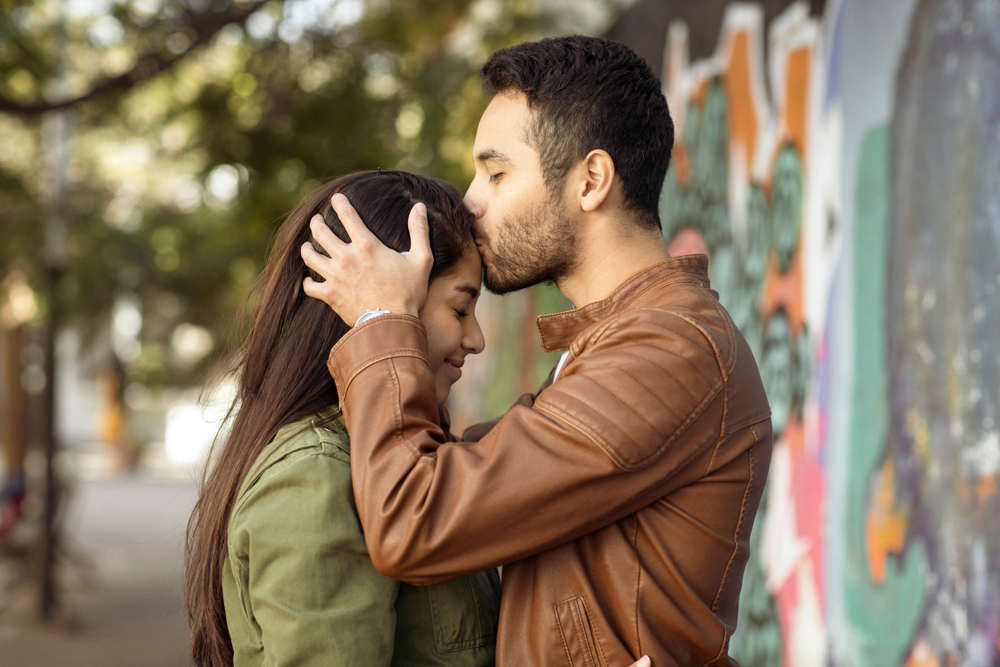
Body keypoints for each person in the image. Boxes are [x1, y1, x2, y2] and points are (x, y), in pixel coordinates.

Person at [301, 36, 772, 667]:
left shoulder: (669, 348)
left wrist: (382, 318)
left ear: (591, 180)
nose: (471, 200)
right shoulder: (615, 341)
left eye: (496, 174)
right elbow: (464, 471)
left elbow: (415, 523)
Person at [184, 170, 500, 667]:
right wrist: (385, 320)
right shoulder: (317, 478)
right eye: (461, 309)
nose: (476, 338)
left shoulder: (403, 451)